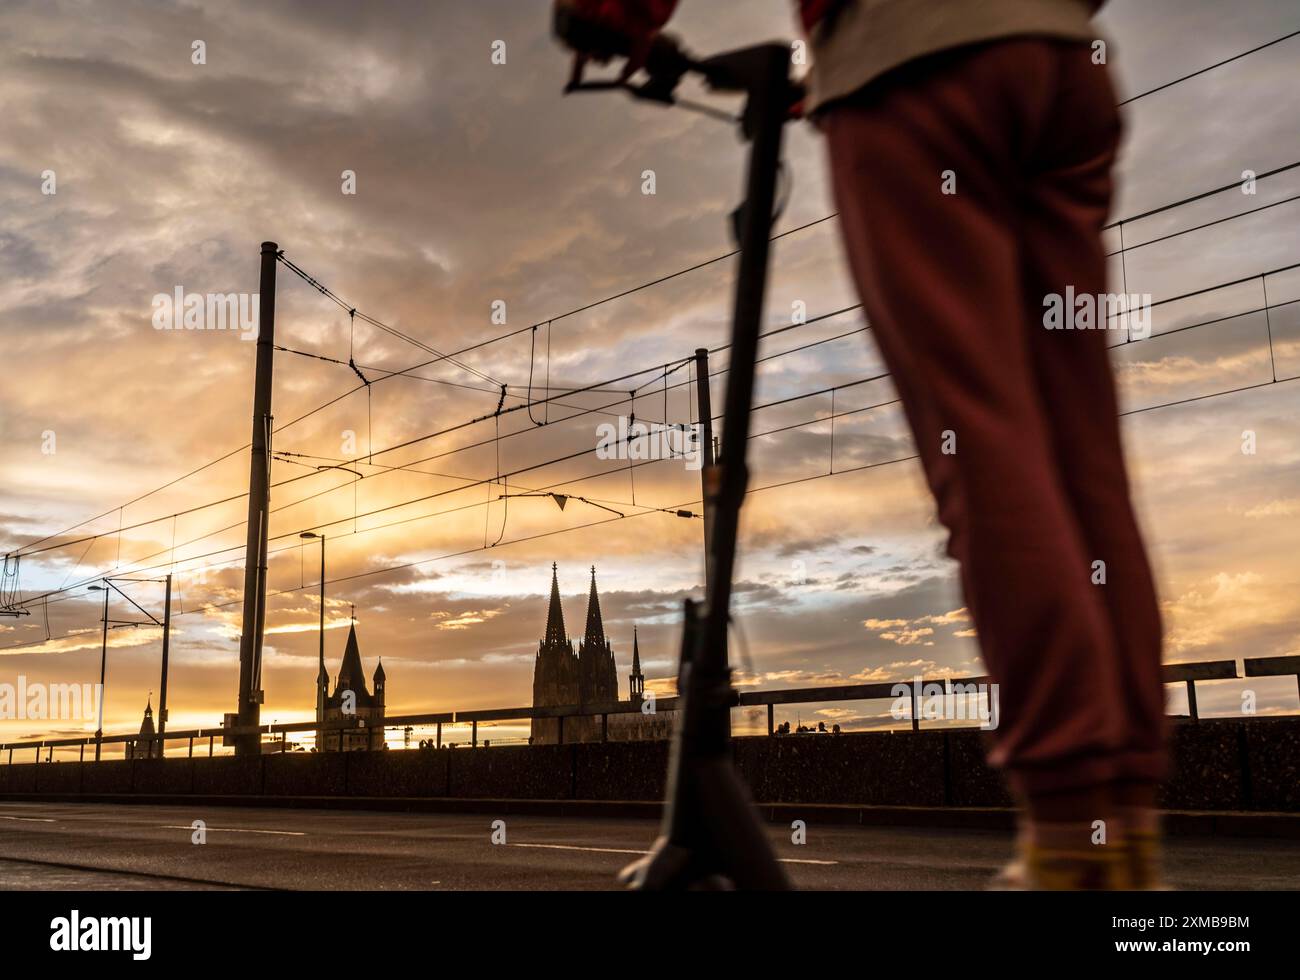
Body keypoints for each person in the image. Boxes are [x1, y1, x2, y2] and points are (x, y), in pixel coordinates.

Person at [553, 0, 1166, 890]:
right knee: (1081, 455)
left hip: (914, 63)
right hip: (1065, 60)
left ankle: (1070, 839)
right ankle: (1125, 838)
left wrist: (614, 16)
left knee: (982, 449)